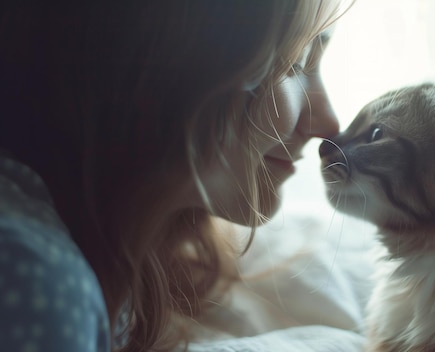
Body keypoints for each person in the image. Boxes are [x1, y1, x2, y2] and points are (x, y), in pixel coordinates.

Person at [0, 1, 358, 351]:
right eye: (294, 64)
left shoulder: (114, 249)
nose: (328, 124)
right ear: (181, 61)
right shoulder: (36, 282)